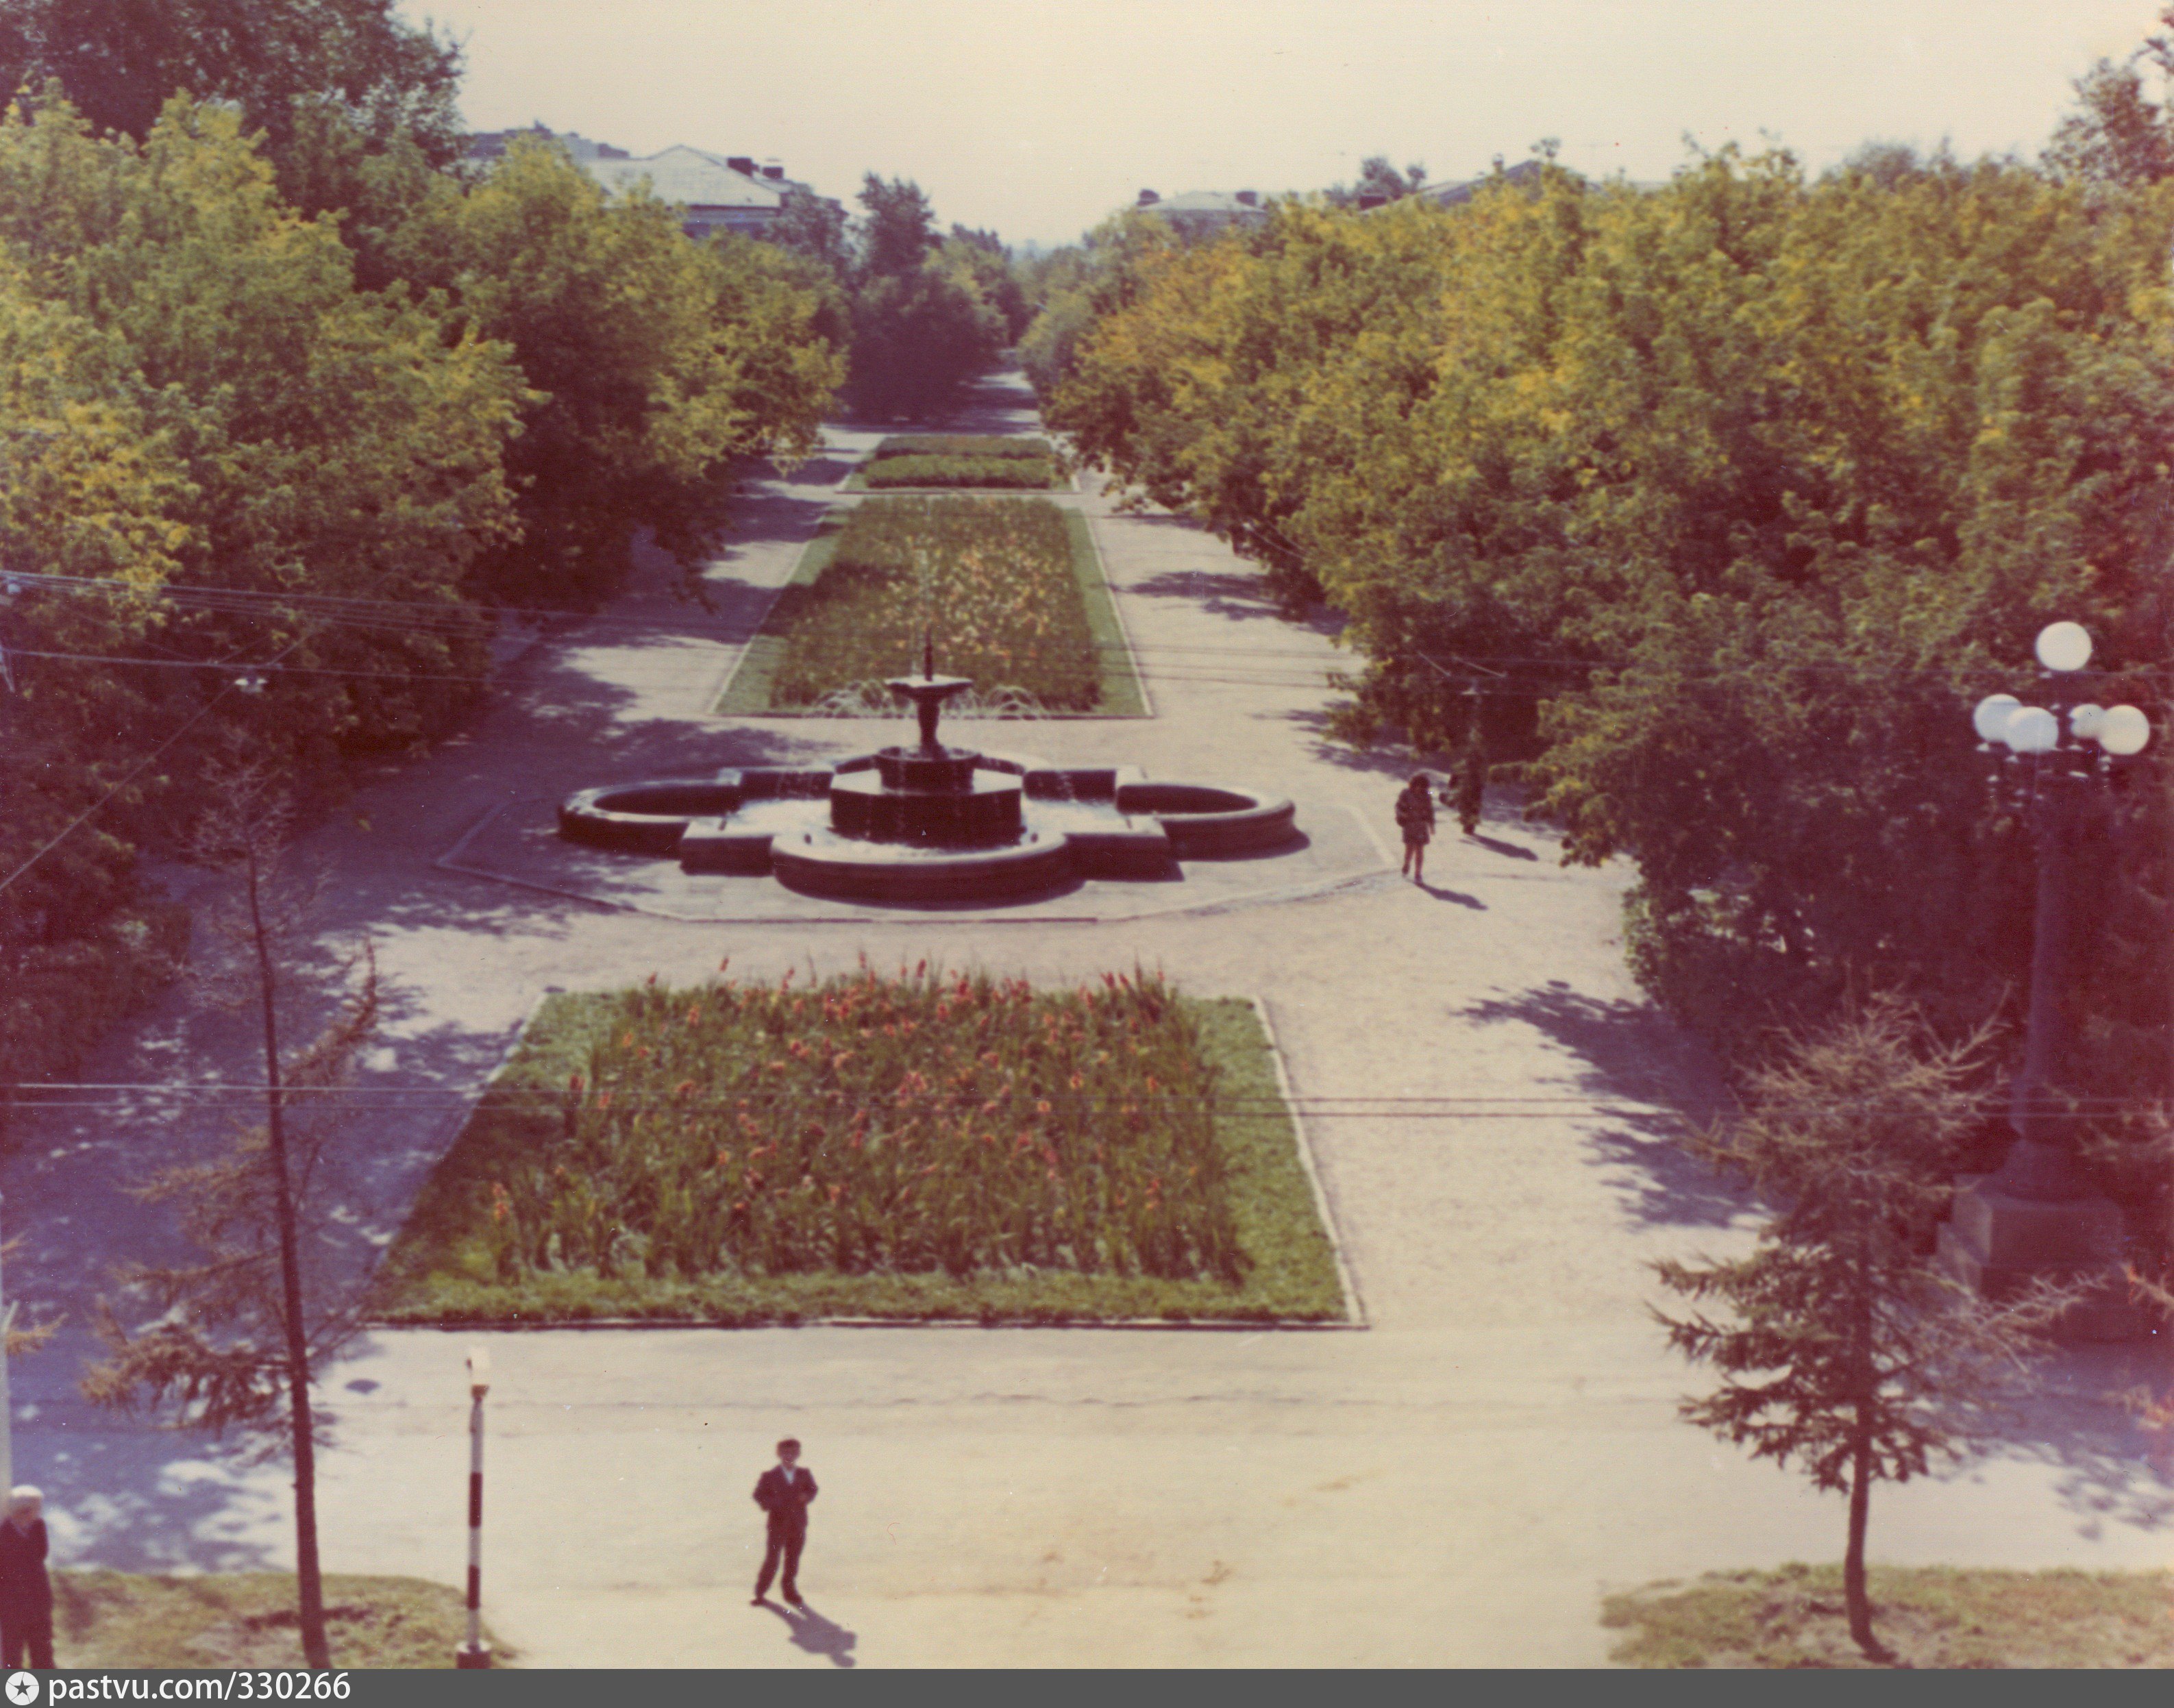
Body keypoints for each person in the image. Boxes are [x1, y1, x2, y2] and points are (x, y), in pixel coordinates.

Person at [751, 1439, 817, 1607]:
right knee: (772, 1560)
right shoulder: (770, 1476)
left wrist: (806, 1497)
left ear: (798, 1454)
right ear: (779, 1454)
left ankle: (790, 1591)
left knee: (793, 1559)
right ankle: (761, 1592)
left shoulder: (804, 1473)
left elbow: (812, 1489)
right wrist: (774, 1503)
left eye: (793, 1453)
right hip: (777, 1525)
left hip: (798, 1524)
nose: (789, 1456)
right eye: (785, 1453)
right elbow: (759, 1495)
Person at [0, 1486, 53, 1670]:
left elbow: (41, 1555)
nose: (40, 1512)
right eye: (37, 1508)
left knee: (44, 1657)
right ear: (25, 1510)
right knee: (13, 1660)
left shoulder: (38, 1527)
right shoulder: (4, 1534)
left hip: (39, 1606)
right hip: (13, 1610)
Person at [1394, 773, 1437, 883]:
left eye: (1422, 787)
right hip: (1409, 825)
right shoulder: (1405, 793)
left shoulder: (1427, 795)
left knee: (1420, 850)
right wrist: (1402, 814)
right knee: (1409, 850)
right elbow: (1398, 806)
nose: (1419, 789)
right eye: (1417, 786)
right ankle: (1407, 863)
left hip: (1421, 826)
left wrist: (1432, 826)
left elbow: (1430, 811)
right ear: (1413, 785)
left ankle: (1418, 874)